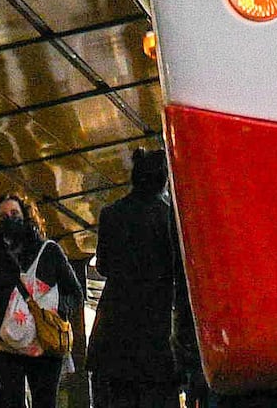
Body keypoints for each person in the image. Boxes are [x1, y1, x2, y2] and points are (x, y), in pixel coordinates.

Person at [79, 150, 193, 408]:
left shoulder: (111, 214)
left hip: (114, 333)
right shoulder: (169, 218)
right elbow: (179, 271)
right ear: (164, 179)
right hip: (156, 335)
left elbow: (105, 266)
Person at [0, 197, 77, 408]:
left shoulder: (49, 253)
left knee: (45, 403)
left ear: (27, 217)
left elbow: (74, 293)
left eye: (15, 214)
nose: (10, 220)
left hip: (45, 345)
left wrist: (55, 317)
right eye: (3, 217)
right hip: (8, 349)